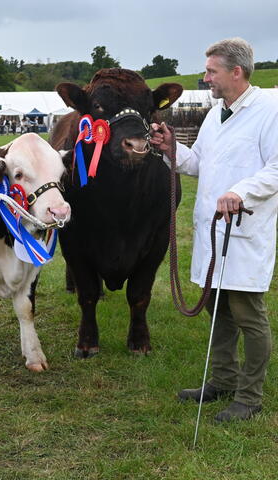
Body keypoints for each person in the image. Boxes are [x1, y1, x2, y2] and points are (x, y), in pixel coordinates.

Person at [151, 38, 278, 422]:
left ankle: (249, 397)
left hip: (244, 229)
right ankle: (222, 379)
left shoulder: (270, 109)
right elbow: (199, 164)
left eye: (211, 71)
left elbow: (275, 169)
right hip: (212, 230)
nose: (205, 78)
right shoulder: (216, 113)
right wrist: (172, 148)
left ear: (235, 72)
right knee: (216, 306)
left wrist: (240, 191)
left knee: (247, 313)